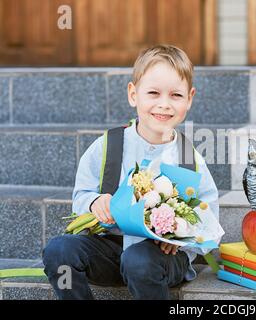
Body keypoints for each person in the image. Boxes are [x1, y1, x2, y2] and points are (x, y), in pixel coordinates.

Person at [42, 44, 219, 300]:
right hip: (110, 251)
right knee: (59, 251)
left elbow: (208, 216)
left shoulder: (189, 158)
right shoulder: (108, 145)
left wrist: (181, 236)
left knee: (139, 260)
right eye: (154, 93)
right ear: (133, 94)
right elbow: (81, 195)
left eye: (176, 96)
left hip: (159, 260)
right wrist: (94, 202)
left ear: (189, 98)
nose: (164, 105)